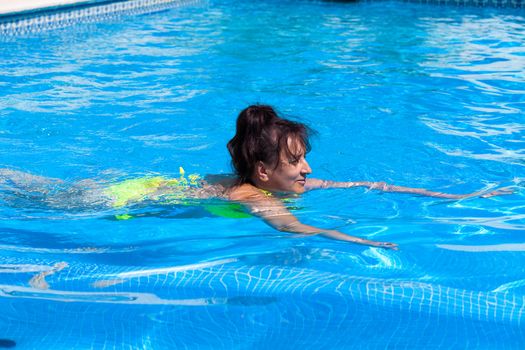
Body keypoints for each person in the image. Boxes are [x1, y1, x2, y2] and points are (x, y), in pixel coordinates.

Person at [0, 104, 512, 249]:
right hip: (115, 198)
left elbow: (368, 184)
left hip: (144, 185)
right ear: (264, 171)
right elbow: (291, 228)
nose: (309, 169)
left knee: (36, 186)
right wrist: (350, 237)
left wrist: (458, 194)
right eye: (297, 162)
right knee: (39, 199)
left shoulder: (283, 183)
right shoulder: (257, 197)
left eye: (306, 159)